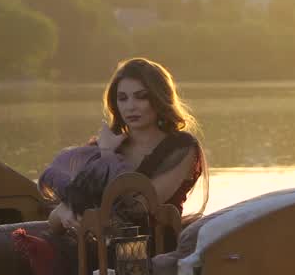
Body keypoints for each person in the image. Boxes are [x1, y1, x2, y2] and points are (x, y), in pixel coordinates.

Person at [40, 58, 208, 236]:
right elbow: (54, 220)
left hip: (153, 251)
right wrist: (66, 211)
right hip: (97, 251)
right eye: (123, 98)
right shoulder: (107, 145)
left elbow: (138, 208)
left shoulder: (181, 147)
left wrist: (107, 156)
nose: (131, 106)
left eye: (141, 96)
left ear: (159, 98)